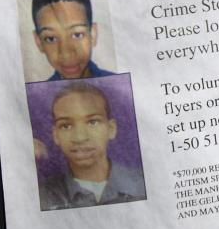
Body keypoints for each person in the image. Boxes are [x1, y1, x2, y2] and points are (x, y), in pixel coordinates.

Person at [39, 81, 146, 210]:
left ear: (111, 129)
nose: (80, 138)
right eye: (66, 125)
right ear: (56, 135)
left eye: (92, 122)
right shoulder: (40, 195)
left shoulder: (144, 183)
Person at [32, 0, 114, 82]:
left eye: (77, 35)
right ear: (39, 42)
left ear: (93, 34)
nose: (66, 54)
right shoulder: (36, 96)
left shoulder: (120, 86)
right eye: (51, 38)